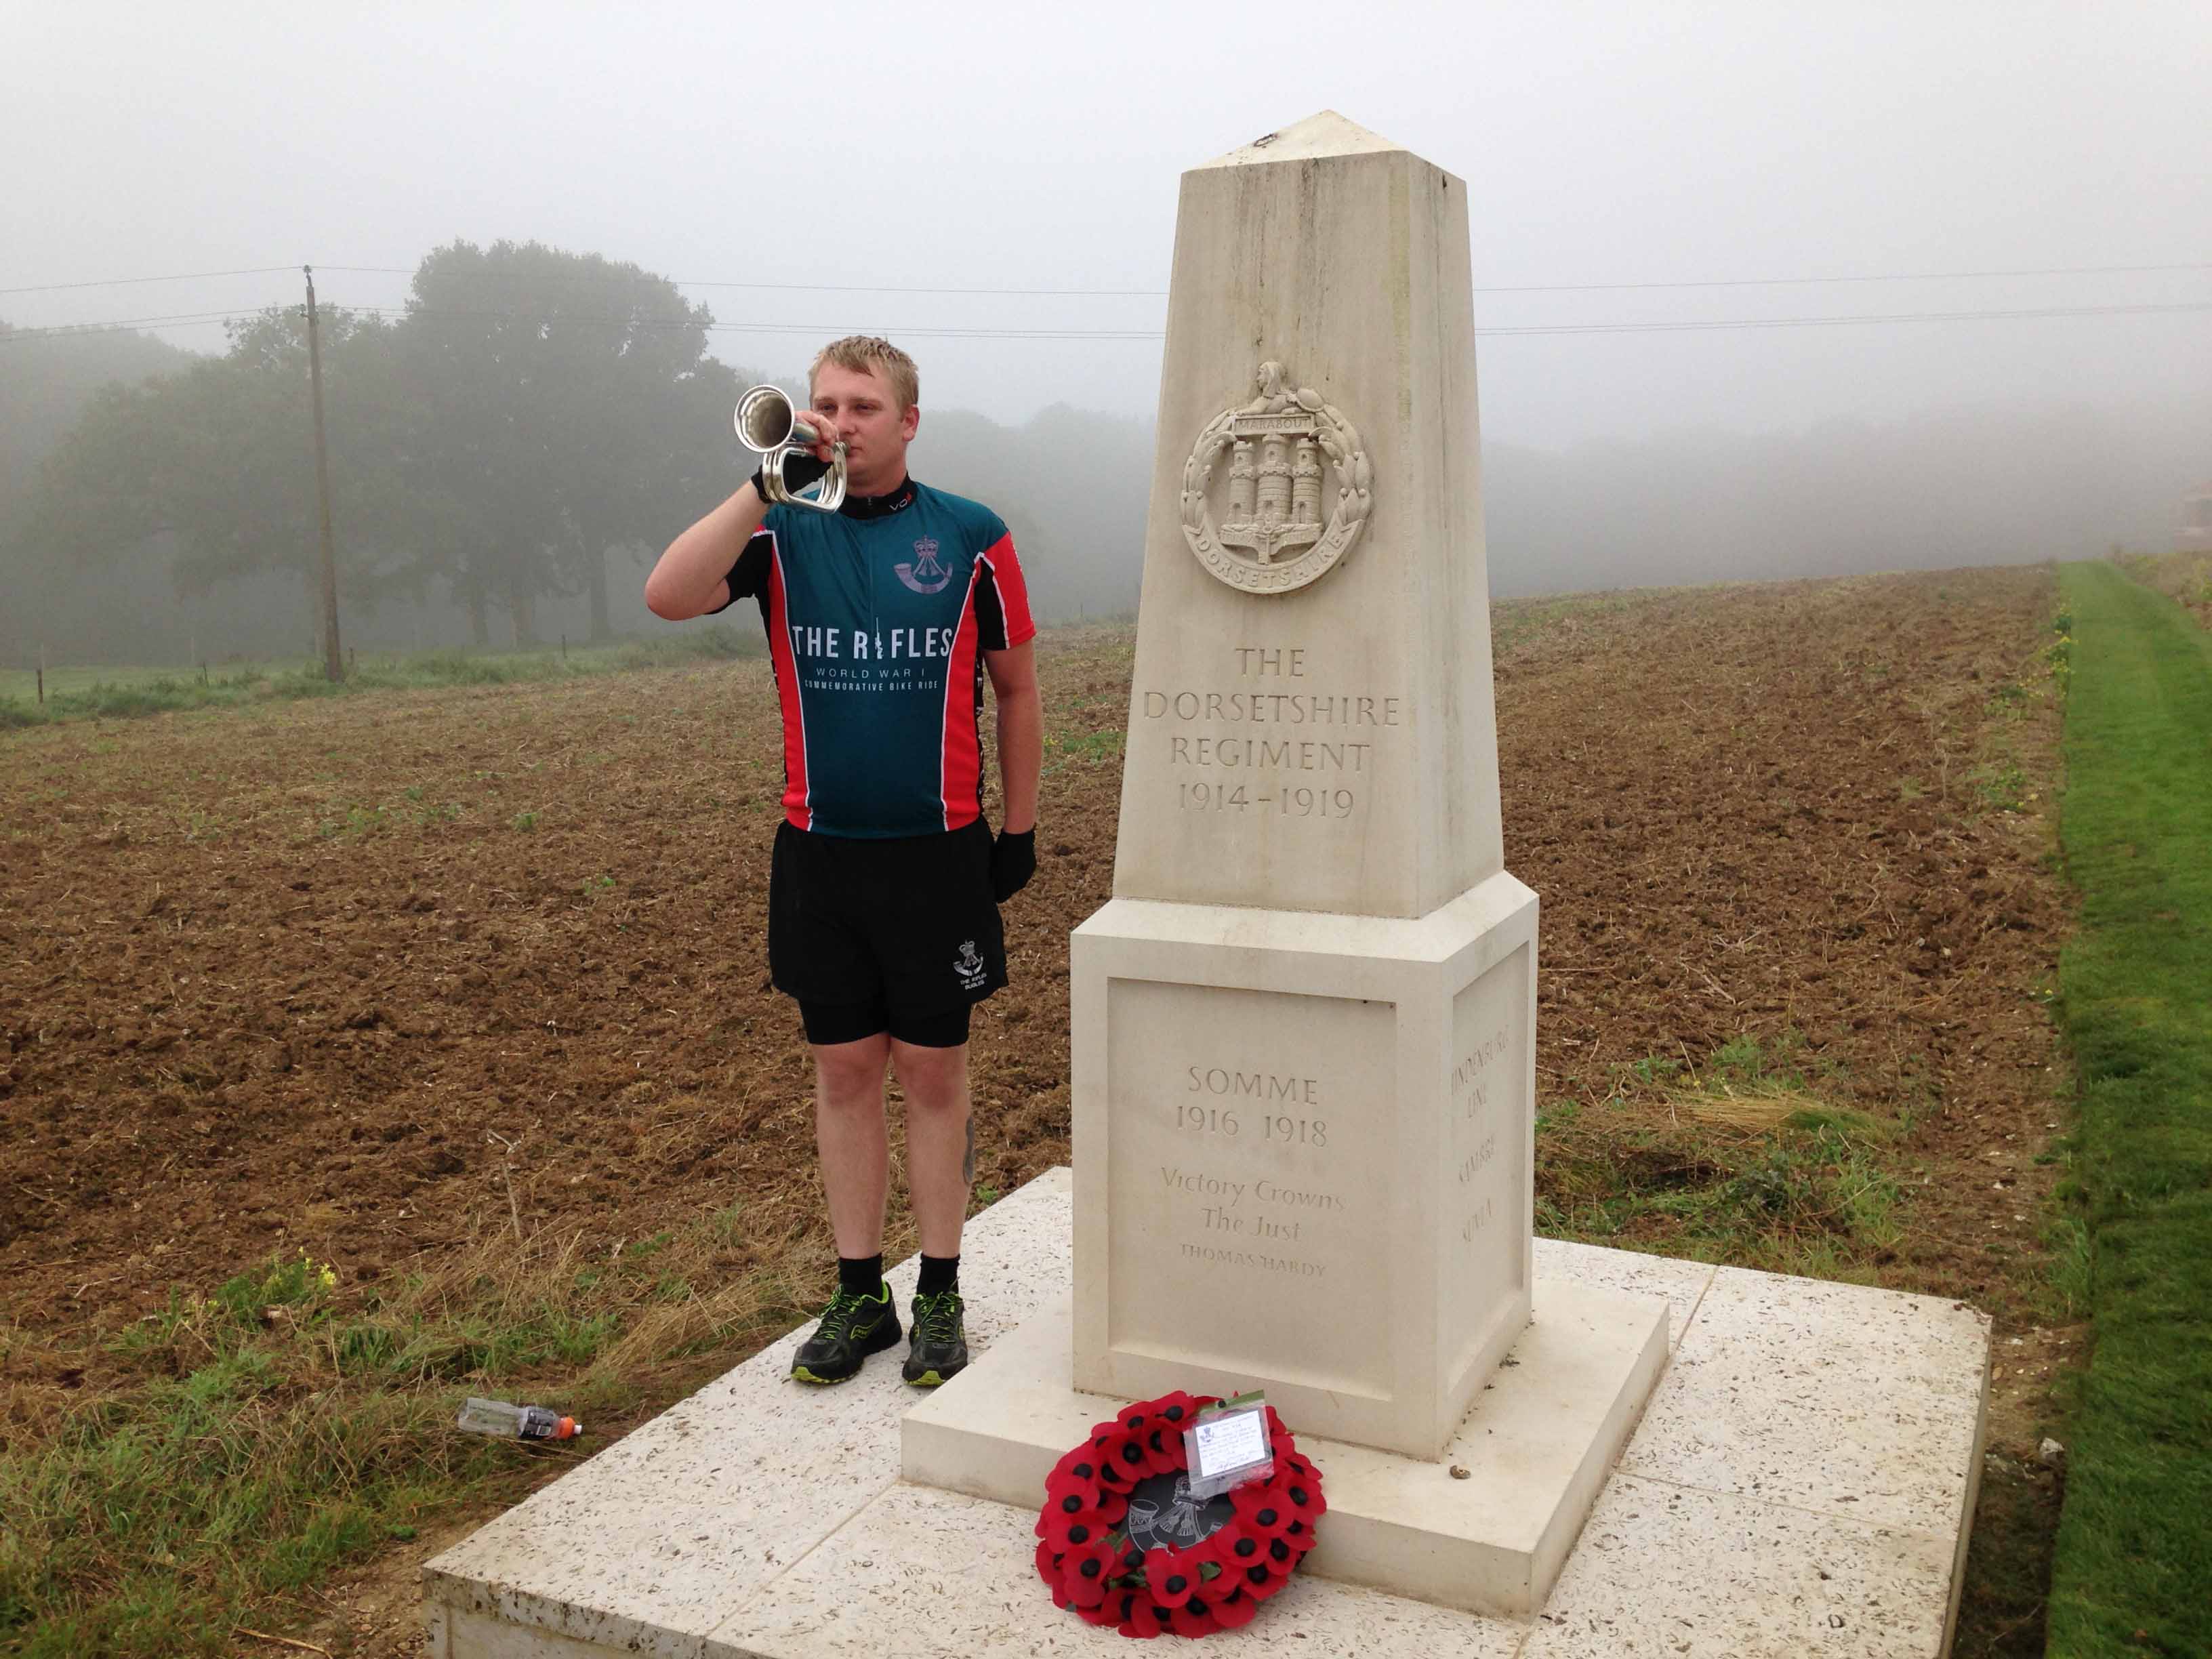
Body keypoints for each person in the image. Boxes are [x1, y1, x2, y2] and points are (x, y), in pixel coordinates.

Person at [644, 337, 1042, 1387]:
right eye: (825, 402)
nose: (840, 419)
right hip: (820, 856)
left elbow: (1016, 689)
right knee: (843, 1072)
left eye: (863, 405)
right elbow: (667, 595)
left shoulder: (971, 536)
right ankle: (859, 1291)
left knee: (934, 1074)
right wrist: (764, 484)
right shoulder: (776, 530)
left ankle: (942, 1291)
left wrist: (1019, 832)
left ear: (908, 422)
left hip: (939, 856)